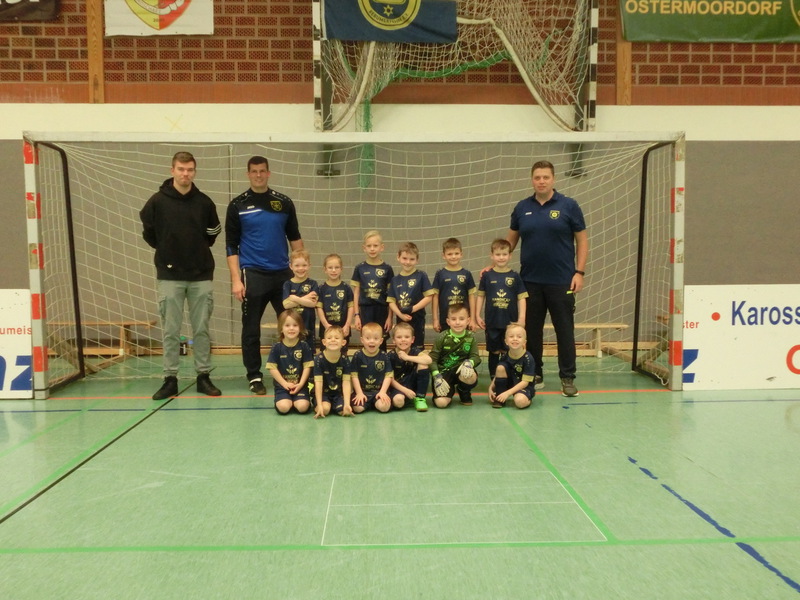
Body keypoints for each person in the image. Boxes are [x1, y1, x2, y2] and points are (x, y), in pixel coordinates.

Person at [140, 151, 222, 401]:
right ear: (172, 170)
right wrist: (168, 250)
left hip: (201, 275)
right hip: (170, 276)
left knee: (201, 329)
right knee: (171, 330)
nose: (185, 174)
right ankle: (170, 379)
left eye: (190, 170)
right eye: (181, 169)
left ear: (194, 172)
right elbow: (149, 233)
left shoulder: (205, 203)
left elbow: (212, 233)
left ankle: (203, 376)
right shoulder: (156, 202)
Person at [507, 159, 588, 398]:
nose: (541, 181)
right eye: (537, 177)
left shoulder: (569, 205)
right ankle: (535, 373)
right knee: (532, 331)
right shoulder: (522, 207)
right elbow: (510, 241)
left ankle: (567, 376)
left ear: (553, 179)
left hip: (562, 281)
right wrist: (494, 266)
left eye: (546, 177)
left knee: (565, 331)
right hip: (530, 281)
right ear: (532, 180)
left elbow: (582, 240)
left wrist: (579, 272)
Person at [225, 155, 304, 396]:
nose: (258, 175)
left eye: (262, 171)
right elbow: (231, 247)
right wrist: (236, 280)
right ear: (248, 174)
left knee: (292, 324)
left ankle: (293, 372)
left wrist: (301, 271)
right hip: (253, 274)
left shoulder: (283, 202)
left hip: (282, 274)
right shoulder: (237, 205)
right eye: (254, 171)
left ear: (268, 173)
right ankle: (254, 376)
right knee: (251, 329)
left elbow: (295, 239)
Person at [475, 238, 528, 378]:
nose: (501, 257)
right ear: (492, 256)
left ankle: (508, 376)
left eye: (504, 254)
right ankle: (494, 378)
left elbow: (521, 298)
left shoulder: (515, 276)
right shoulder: (487, 276)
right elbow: (480, 296)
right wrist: (477, 315)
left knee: (508, 350)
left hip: (510, 323)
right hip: (492, 322)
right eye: (498, 254)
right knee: (494, 351)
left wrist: (522, 318)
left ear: (510, 256)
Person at [428, 303, 481, 408]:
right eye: (453, 319)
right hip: (443, 373)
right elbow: (432, 360)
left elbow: (476, 357)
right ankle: (448, 392)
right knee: (441, 404)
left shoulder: (471, 337)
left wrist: (469, 363)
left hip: (461, 371)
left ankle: (463, 391)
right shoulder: (442, 337)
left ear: (468, 321)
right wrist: (436, 376)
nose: (457, 322)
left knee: (470, 375)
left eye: (461, 319)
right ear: (448, 322)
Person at [351, 230, 394, 348]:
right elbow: (356, 293)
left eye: (375, 245)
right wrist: (356, 315)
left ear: (382, 247)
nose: (372, 249)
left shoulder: (387, 269)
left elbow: (391, 296)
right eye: (369, 246)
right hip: (365, 310)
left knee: (381, 341)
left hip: (382, 310)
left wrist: (390, 317)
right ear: (364, 248)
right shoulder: (359, 268)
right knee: (367, 339)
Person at [387, 242, 433, 352]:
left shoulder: (421, 276)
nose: (407, 262)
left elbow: (429, 297)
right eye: (404, 258)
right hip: (401, 320)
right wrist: (400, 315)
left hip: (417, 319)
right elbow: (391, 302)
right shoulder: (395, 280)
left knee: (417, 349)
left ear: (417, 260)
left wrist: (413, 309)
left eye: (412, 259)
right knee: (402, 347)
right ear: (398, 257)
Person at [266, 310, 314, 415]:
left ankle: (297, 400)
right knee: (284, 407)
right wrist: (285, 384)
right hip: (282, 387)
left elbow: (307, 367)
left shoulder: (304, 346)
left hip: (300, 386)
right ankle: (286, 400)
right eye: (287, 325)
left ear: (300, 328)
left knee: (302, 407)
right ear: (281, 328)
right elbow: (272, 368)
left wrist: (301, 384)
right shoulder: (277, 347)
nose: (291, 328)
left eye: (295, 325)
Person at [431, 238, 476, 333]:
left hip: (463, 320)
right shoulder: (440, 274)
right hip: (446, 320)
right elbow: (435, 297)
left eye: (456, 253)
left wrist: (472, 319)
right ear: (443, 256)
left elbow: (471, 297)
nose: (453, 256)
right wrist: (435, 319)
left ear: (461, 254)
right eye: (450, 254)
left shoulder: (466, 274)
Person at [488, 324, 535, 409]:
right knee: (500, 367)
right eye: (511, 336)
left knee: (520, 402)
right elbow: (498, 373)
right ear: (506, 341)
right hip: (510, 384)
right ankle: (500, 397)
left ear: (524, 342)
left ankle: (527, 399)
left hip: (523, 386)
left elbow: (525, 382)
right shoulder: (505, 355)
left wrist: (508, 393)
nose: (515, 339)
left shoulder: (528, 358)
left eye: (519, 337)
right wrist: (491, 388)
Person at [349, 322, 393, 413]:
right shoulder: (358, 355)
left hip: (378, 391)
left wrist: (383, 392)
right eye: (368, 338)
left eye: (376, 338)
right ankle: (367, 404)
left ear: (381, 341)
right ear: (362, 340)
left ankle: (374, 402)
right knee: (357, 409)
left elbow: (388, 376)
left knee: (384, 407)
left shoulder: (384, 356)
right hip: (363, 391)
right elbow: (354, 376)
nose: (371, 341)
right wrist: (359, 393)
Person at [388, 322, 432, 412]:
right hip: (398, 387)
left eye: (407, 337)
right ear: (393, 340)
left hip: (413, 383)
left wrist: (407, 357)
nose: (403, 340)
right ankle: (406, 398)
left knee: (423, 364)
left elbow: (429, 360)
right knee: (398, 402)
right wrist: (405, 391)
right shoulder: (390, 356)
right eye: (399, 337)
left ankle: (420, 398)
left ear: (412, 339)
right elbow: (390, 379)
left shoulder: (415, 351)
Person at [282, 249, 319, 349]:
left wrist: (295, 298)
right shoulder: (288, 284)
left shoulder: (313, 284)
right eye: (297, 265)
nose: (301, 268)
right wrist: (306, 298)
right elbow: (286, 305)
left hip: (308, 324)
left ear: (309, 266)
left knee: (308, 351)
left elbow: (313, 303)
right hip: (292, 325)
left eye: (304, 265)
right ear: (291, 266)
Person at [316, 253, 354, 351]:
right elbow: (319, 308)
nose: (333, 270)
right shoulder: (321, 288)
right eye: (330, 267)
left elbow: (351, 307)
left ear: (341, 269)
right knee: (325, 353)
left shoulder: (346, 288)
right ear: (325, 269)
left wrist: (347, 325)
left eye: (337, 267)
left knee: (342, 354)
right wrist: (326, 325)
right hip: (326, 328)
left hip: (343, 328)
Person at [313, 326, 353, 418]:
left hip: (338, 394)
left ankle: (337, 405)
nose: (333, 340)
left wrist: (347, 404)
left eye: (337, 338)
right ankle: (323, 405)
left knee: (344, 411)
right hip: (324, 394)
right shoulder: (319, 359)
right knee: (325, 409)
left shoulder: (345, 360)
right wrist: (319, 405)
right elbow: (318, 383)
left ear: (343, 342)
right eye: (329, 338)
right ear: (324, 342)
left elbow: (346, 383)